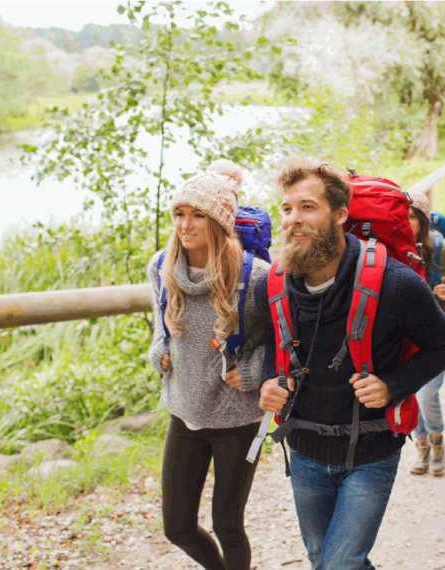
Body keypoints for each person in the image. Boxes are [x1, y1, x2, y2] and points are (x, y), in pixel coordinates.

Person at [255, 158, 445, 570]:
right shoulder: (271, 286)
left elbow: (443, 346)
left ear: (341, 214)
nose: (294, 219)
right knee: (323, 560)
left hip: (371, 450)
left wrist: (393, 385)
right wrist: (266, 382)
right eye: (287, 209)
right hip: (305, 449)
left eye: (307, 207)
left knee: (338, 564)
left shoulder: (396, 283)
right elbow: (268, 349)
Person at [147, 160, 270, 570]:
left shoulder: (255, 278)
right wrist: (158, 351)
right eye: (180, 214)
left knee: (228, 524)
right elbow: (161, 328)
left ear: (219, 221)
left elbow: (283, 347)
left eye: (198, 215)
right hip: (185, 413)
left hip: (237, 418)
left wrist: (252, 371)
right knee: (176, 527)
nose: (186, 224)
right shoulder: (161, 267)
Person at [406, 193, 445, 477]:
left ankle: (437, 442)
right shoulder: (397, 250)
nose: (406, 224)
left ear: (422, 219)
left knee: (428, 393)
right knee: (412, 392)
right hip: (406, 336)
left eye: (411, 217)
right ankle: (422, 447)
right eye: (402, 218)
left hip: (439, 335)